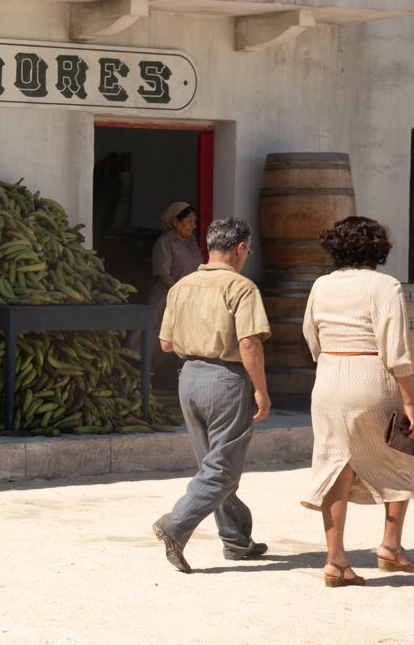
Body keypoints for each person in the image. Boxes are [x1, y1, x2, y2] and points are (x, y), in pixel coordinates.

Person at [300, 216, 414, 588]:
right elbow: (397, 349)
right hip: (371, 376)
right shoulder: (385, 285)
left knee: (337, 464)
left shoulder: (321, 285)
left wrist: (333, 361)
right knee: (400, 453)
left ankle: (335, 561)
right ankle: (390, 547)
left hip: (328, 379)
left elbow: (311, 336)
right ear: (378, 249)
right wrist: (411, 403)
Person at [152, 217, 272, 573]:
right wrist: (262, 391)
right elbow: (249, 342)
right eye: (247, 249)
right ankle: (175, 524)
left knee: (213, 466)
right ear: (239, 248)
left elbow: (166, 343)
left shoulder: (182, 287)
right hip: (226, 380)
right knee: (223, 469)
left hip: (188, 378)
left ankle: (236, 541)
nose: (247, 255)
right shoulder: (242, 287)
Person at [149, 202, 203, 376]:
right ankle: (146, 381)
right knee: (159, 340)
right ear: (175, 222)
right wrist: (180, 292)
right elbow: (162, 274)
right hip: (168, 298)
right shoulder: (165, 242)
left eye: (194, 221)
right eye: (189, 221)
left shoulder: (192, 242)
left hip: (190, 300)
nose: (194, 226)